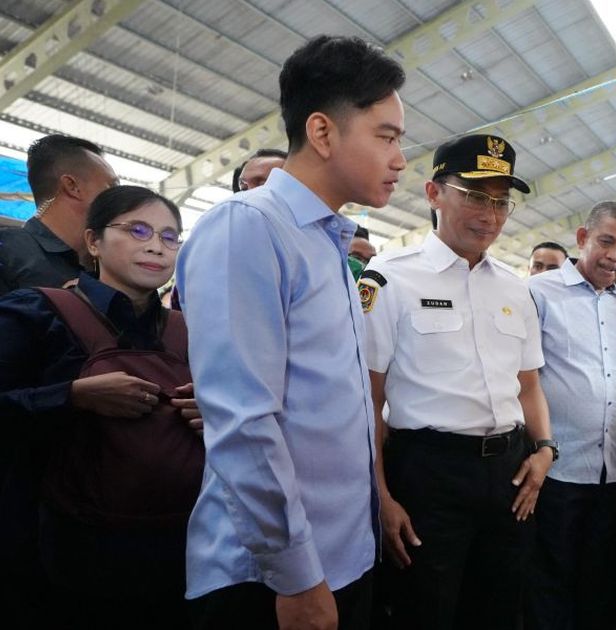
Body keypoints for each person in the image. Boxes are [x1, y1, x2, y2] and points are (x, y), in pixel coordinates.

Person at [177, 36, 406, 630]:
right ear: (324, 133)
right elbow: (244, 421)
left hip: (342, 556)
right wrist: (297, 575)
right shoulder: (248, 229)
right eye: (386, 136)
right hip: (273, 581)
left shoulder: (327, 243)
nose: (400, 159)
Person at [360, 133, 553, 630]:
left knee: (500, 609)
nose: (489, 214)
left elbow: (528, 384)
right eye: (473, 196)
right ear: (433, 193)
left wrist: (545, 450)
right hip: (429, 475)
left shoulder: (515, 288)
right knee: (426, 610)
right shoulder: (390, 278)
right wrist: (380, 495)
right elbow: (368, 397)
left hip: (509, 474)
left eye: (501, 201)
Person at [0, 185, 202, 628]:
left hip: (177, 552)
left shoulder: (189, 332)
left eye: (171, 237)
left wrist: (212, 419)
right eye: (138, 230)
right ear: (93, 241)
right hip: (66, 557)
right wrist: (73, 396)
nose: (156, 246)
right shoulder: (40, 311)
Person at [526, 201, 616, 630]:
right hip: (557, 467)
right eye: (606, 241)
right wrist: (538, 447)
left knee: (597, 576)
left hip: (609, 470)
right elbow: (524, 378)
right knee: (550, 576)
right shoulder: (540, 292)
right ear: (582, 238)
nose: (615, 255)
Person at [0, 134, 119, 296]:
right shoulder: (8, 251)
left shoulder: (107, 267)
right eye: (111, 186)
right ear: (72, 186)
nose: (119, 198)